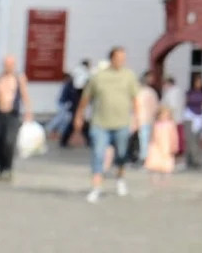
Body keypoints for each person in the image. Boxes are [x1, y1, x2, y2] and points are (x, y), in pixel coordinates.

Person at [77, 47, 141, 202]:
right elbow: (86, 98)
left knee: (121, 154)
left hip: (122, 123)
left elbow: (135, 99)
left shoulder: (129, 76)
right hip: (100, 123)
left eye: (123, 58)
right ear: (112, 59)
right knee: (98, 154)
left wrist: (137, 118)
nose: (121, 61)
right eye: (118, 58)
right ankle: (96, 187)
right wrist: (79, 115)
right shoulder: (99, 76)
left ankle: (120, 179)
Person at [143, 104, 179, 187]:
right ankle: (154, 181)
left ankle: (166, 182)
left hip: (167, 146)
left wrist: (174, 145)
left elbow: (174, 136)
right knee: (154, 164)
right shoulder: (156, 124)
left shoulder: (171, 125)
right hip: (156, 147)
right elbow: (152, 135)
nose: (164, 116)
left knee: (167, 165)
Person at [182, 74, 202, 168]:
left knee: (197, 139)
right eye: (197, 82)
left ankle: (194, 159)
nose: (199, 84)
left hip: (199, 116)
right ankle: (192, 159)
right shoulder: (189, 92)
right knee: (190, 139)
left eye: (200, 82)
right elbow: (185, 103)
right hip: (190, 116)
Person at [134, 72, 160, 167]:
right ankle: (146, 158)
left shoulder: (140, 92)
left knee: (144, 140)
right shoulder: (151, 92)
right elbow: (156, 107)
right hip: (148, 119)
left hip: (143, 119)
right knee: (147, 140)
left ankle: (144, 158)